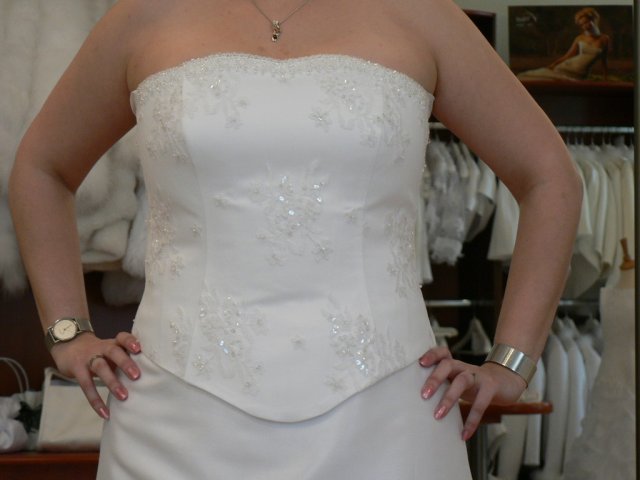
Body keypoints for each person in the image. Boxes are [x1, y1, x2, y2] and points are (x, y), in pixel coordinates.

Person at [8, 0, 582, 478]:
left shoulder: (423, 14)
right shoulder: (144, 15)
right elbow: (41, 169)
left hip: (387, 422)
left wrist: (511, 363)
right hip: (176, 419)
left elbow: (550, 176)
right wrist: (68, 333)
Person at [517, 7, 611, 82]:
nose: (585, 26)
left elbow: (604, 61)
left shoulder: (604, 39)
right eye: (582, 25)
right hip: (565, 67)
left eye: (586, 22)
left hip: (579, 73)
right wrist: (553, 65)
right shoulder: (579, 38)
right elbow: (568, 56)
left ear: (594, 20)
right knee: (527, 76)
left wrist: (605, 77)